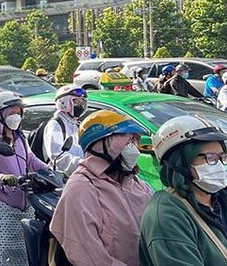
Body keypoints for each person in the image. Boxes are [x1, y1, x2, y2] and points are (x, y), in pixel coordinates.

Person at [50, 111, 152, 266]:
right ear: (102, 145)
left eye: (133, 141)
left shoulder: (135, 182)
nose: (133, 149)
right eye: (126, 142)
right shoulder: (81, 188)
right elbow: (87, 255)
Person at [140, 115, 227, 265]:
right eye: (209, 157)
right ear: (180, 162)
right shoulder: (166, 215)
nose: (219, 165)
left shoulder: (226, 200)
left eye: (222, 157)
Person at [0, 91, 49, 266]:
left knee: (28, 249)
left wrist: (51, 171)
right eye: (11, 113)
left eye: (18, 113)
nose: (16, 117)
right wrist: (2, 178)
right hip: (0, 201)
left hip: (26, 200)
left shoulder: (20, 137)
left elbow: (30, 159)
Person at [43, 86, 87, 175]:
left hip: (79, 175)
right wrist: (84, 165)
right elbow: (57, 156)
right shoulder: (55, 125)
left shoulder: (75, 124)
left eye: (81, 102)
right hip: (63, 178)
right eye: (76, 101)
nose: (79, 105)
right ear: (64, 102)